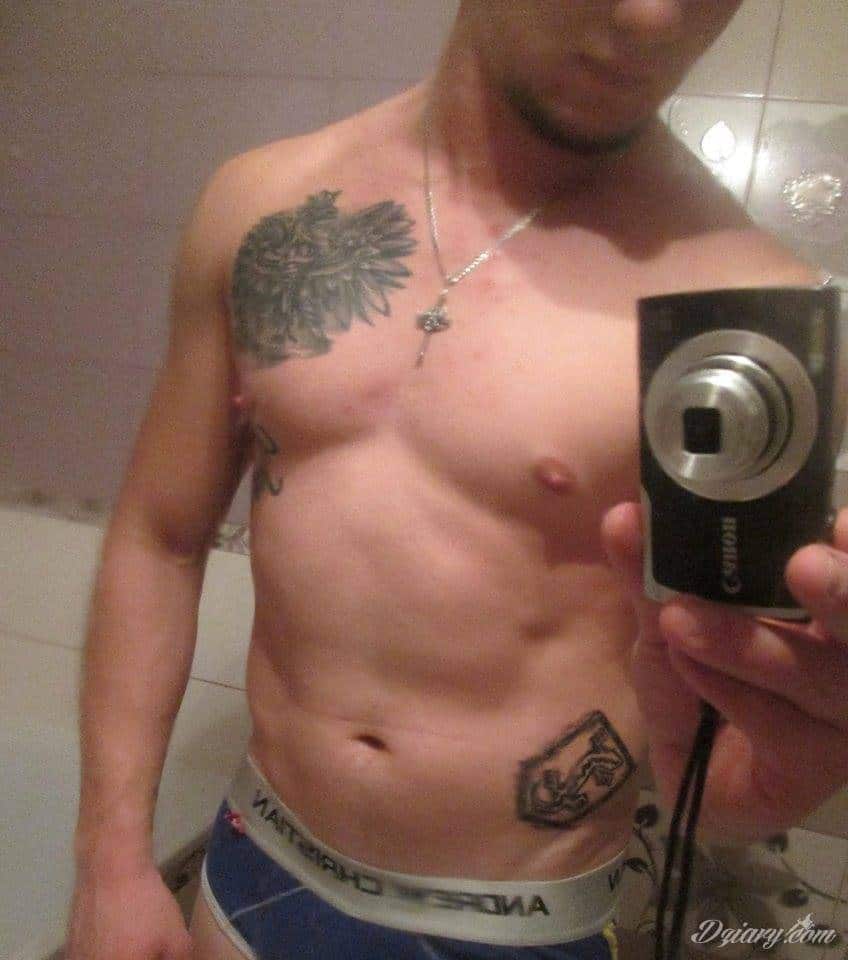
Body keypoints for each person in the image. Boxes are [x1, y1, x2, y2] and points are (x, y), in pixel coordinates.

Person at [66, 2, 848, 958]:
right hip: (252, 868)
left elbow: (718, 765)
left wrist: (762, 780)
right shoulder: (261, 204)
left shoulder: (744, 328)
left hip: (519, 928)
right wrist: (111, 858)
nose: (652, 15)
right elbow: (160, 535)